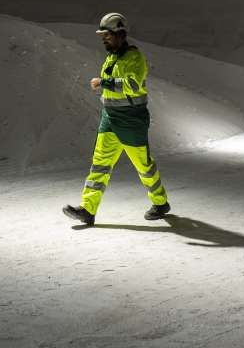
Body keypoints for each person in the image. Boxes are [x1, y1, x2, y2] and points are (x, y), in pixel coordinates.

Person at [62, 12, 171, 225]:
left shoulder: (134, 57)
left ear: (120, 34)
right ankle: (88, 209)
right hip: (110, 119)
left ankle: (160, 203)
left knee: (144, 167)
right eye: (102, 35)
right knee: (100, 164)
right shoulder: (112, 57)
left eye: (107, 35)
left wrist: (103, 82)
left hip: (131, 121)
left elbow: (132, 85)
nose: (104, 39)